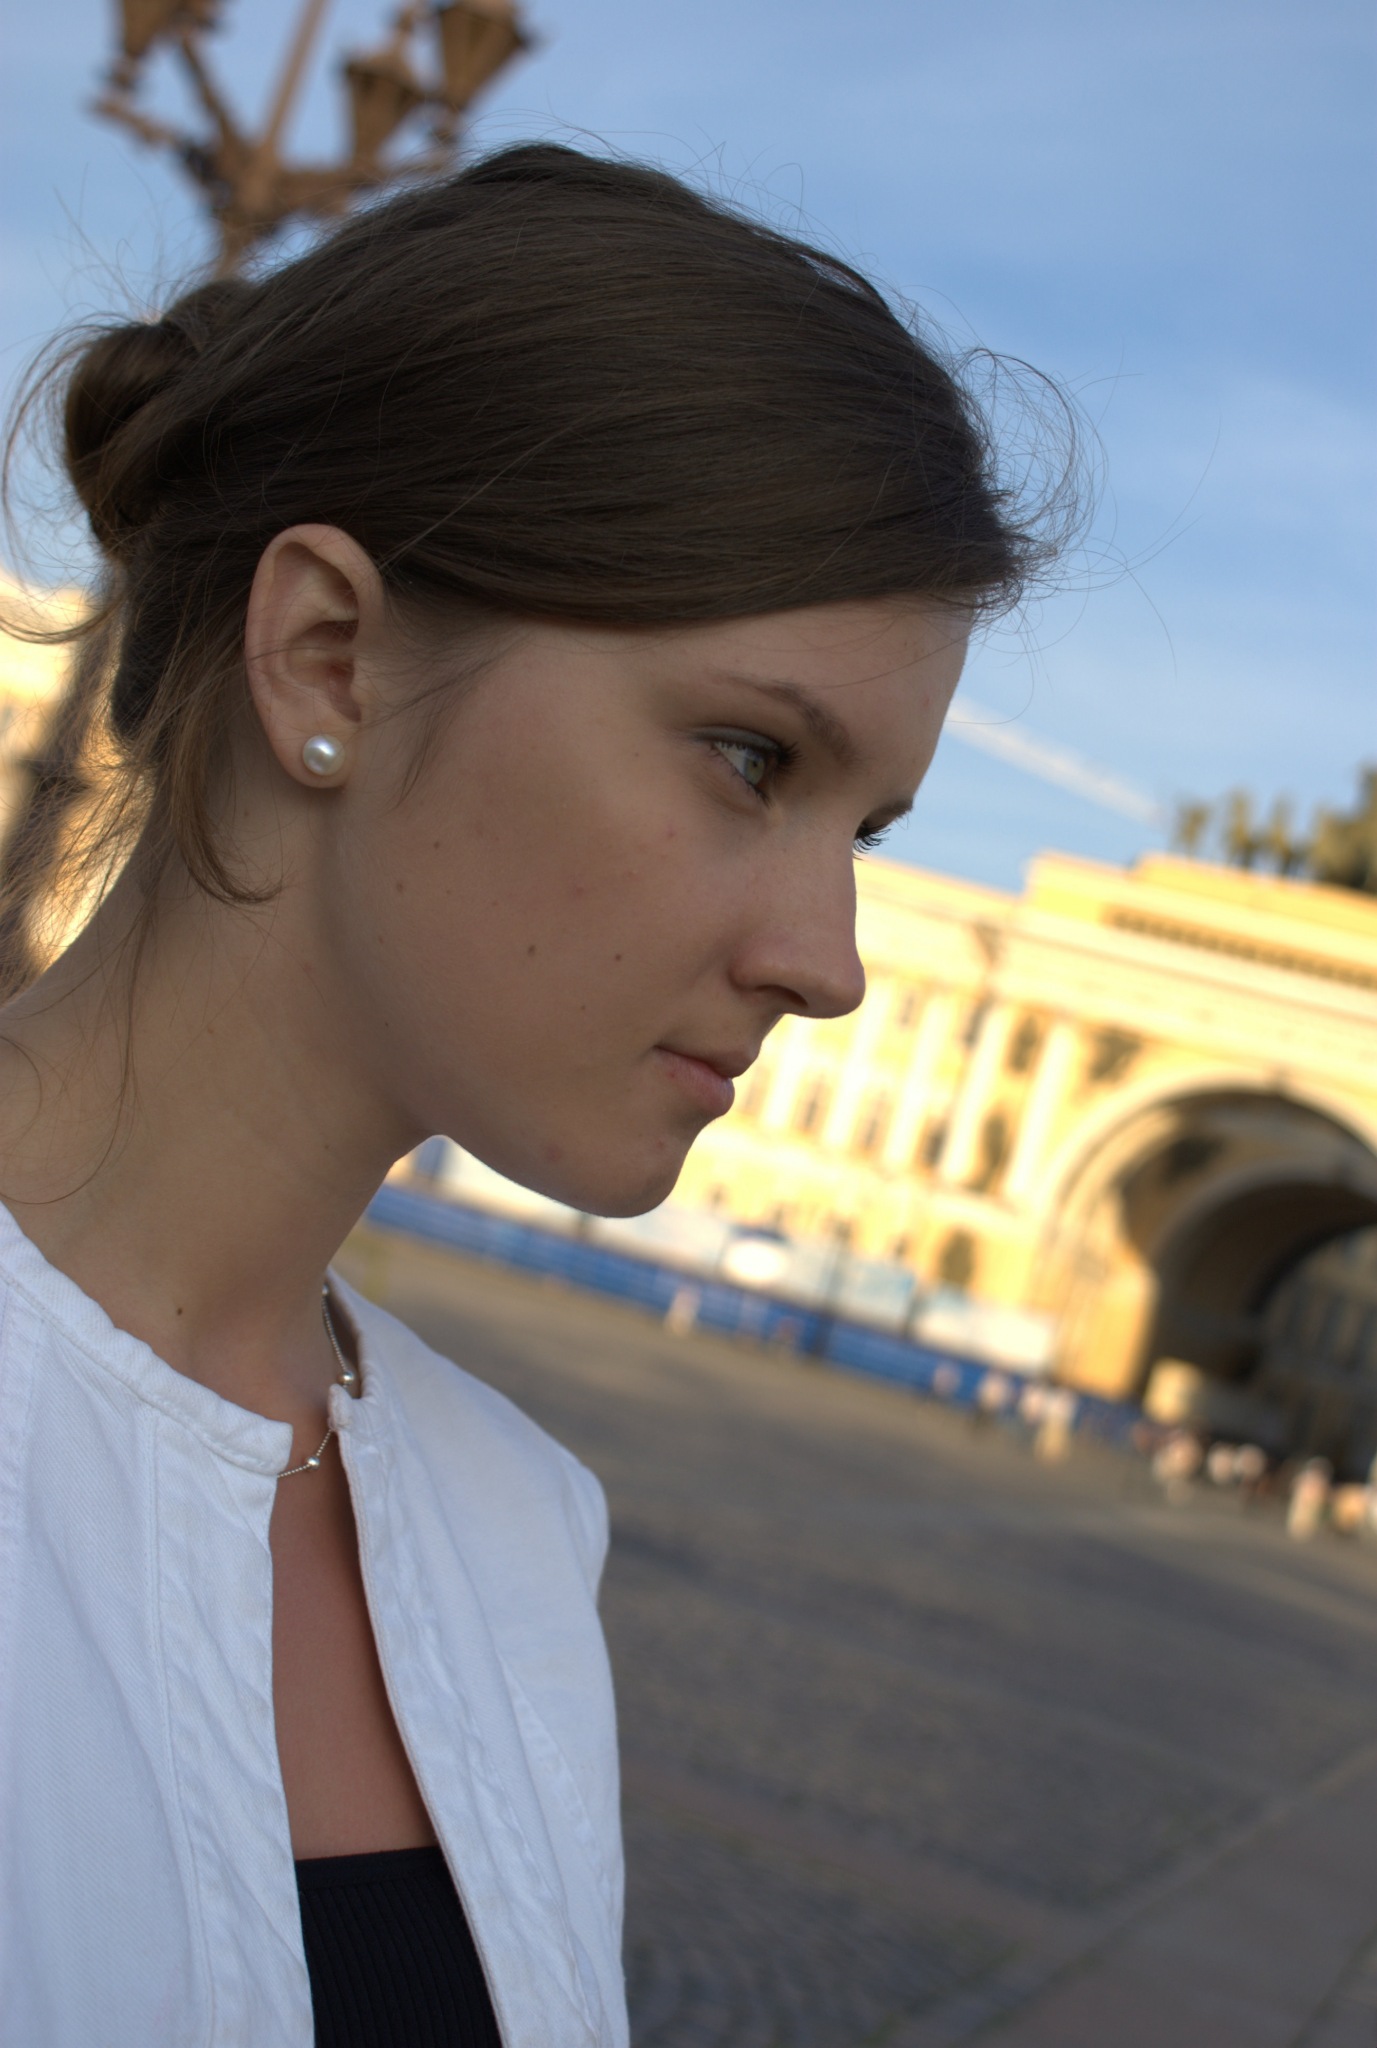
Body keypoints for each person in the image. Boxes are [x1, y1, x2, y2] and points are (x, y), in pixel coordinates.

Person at [0, 144, 1061, 2046]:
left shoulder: (513, 1527)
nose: (830, 961)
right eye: (750, 759)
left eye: (862, 831)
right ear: (327, 658)